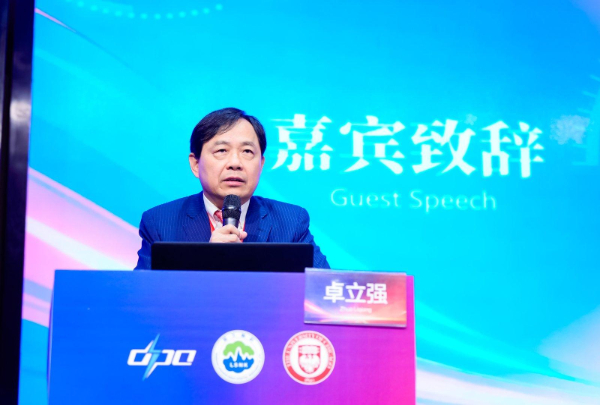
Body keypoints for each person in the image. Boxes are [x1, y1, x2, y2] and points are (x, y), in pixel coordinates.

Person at [135, 107, 329, 269]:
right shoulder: (160, 223)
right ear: (195, 164)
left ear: (261, 164)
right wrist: (206, 260)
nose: (235, 163)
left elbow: (326, 290)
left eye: (247, 151)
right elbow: (142, 295)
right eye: (222, 150)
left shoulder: (291, 222)